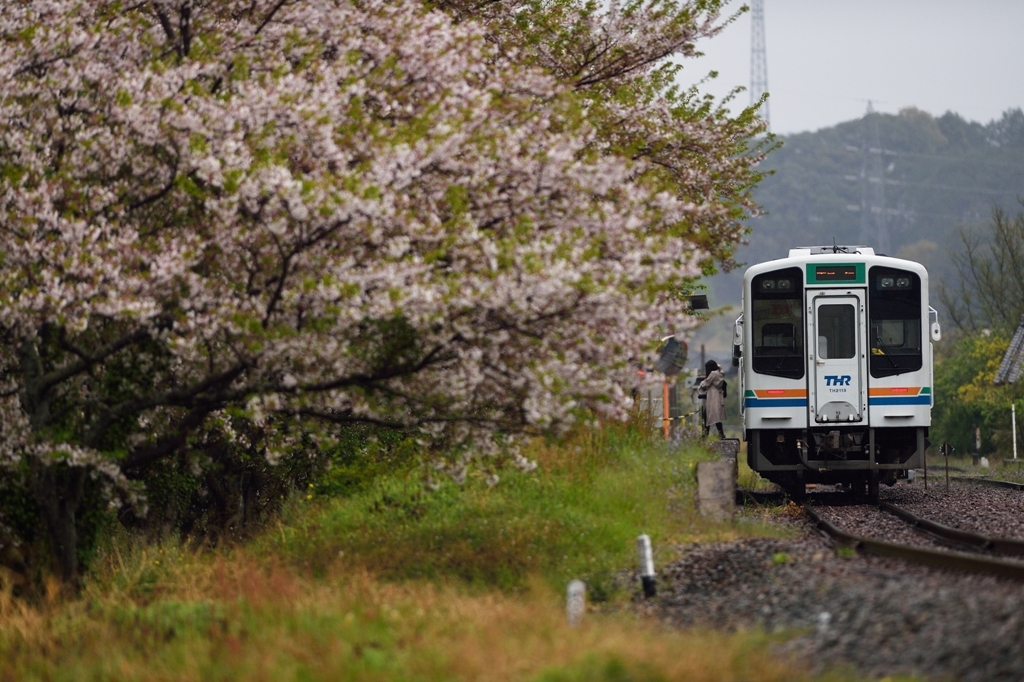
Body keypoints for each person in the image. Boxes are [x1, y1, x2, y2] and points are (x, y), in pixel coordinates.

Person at [699, 359, 727, 439]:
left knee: (707, 416)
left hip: (712, 399)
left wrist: (701, 383)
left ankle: (705, 436)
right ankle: (720, 435)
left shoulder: (712, 374)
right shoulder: (719, 373)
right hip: (717, 398)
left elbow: (705, 384)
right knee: (715, 418)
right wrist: (720, 368)